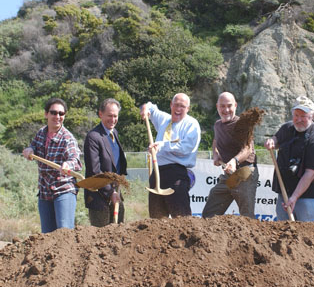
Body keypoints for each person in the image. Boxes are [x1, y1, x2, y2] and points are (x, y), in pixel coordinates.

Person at [264, 96, 314, 222]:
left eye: (303, 116)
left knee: (310, 237)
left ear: (312, 116)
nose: (299, 119)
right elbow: (277, 139)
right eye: (296, 115)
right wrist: (272, 141)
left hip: (308, 198)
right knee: (284, 235)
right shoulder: (287, 128)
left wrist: (294, 197)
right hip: (285, 195)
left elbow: (310, 173)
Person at [22, 98, 82, 233]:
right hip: (44, 190)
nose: (57, 117)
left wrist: (68, 164)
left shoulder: (67, 138)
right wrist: (29, 150)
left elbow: (76, 160)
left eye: (61, 114)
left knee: (63, 233)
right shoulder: (41, 133)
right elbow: (33, 147)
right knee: (47, 236)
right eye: (54, 113)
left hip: (63, 189)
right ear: (46, 114)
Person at [139, 93, 201, 218]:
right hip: (157, 173)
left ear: (188, 109)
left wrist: (162, 145)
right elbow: (151, 106)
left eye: (182, 106)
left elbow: (186, 147)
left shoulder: (191, 124)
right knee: (157, 218)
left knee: (181, 217)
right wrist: (145, 108)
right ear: (171, 105)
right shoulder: (164, 120)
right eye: (176, 105)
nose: (178, 109)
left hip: (176, 174)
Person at [202, 92, 259, 219]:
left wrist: (234, 161)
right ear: (217, 107)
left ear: (235, 106)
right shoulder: (218, 125)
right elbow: (216, 141)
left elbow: (247, 149)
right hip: (229, 174)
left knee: (246, 216)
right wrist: (216, 155)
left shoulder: (242, 124)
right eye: (222, 106)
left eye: (229, 106)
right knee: (209, 214)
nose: (226, 110)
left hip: (246, 172)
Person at [83, 98, 128, 226]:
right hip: (99, 197)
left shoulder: (115, 133)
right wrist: (109, 192)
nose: (113, 119)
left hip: (116, 191)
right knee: (101, 237)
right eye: (109, 116)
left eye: (115, 116)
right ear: (100, 114)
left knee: (119, 231)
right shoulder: (93, 137)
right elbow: (94, 171)